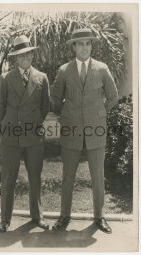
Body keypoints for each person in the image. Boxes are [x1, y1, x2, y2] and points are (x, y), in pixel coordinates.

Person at [52, 28, 119, 234]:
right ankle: (64, 216)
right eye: (80, 43)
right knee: (68, 177)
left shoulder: (102, 68)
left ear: (91, 45)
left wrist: (99, 113)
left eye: (88, 43)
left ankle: (99, 217)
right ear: (73, 46)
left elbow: (113, 96)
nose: (85, 47)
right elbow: (55, 99)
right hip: (71, 131)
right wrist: (66, 115)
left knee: (98, 176)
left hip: (96, 130)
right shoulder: (64, 70)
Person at [0, 35, 50, 232]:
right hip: (11, 136)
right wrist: (11, 125)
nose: (26, 59)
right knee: (8, 178)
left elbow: (45, 106)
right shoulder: (5, 78)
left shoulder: (42, 77)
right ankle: (4, 220)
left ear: (32, 56)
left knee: (35, 177)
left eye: (28, 55)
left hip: (34, 137)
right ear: (15, 58)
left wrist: (32, 124)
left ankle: (37, 217)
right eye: (21, 56)